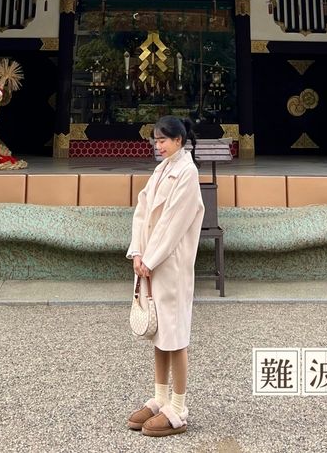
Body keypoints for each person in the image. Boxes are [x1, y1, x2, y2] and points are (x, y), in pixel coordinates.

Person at [126, 115, 205, 437]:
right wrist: (138, 252)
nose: (157, 145)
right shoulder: (161, 170)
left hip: (171, 264)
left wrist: (153, 257)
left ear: (178, 140)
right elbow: (142, 211)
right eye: (155, 140)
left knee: (176, 336)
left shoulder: (187, 172)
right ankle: (160, 398)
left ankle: (179, 406)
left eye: (162, 140)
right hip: (151, 261)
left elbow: (175, 221)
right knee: (159, 333)